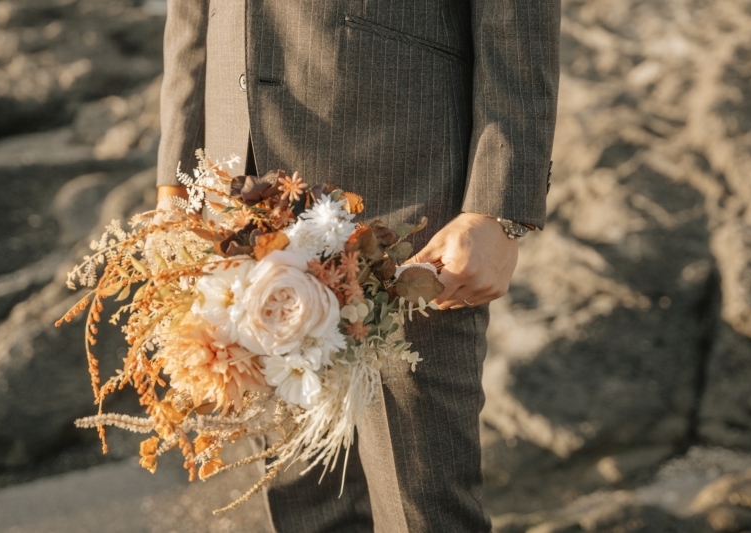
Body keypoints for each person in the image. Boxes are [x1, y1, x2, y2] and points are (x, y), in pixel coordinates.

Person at [156, 1, 560, 531]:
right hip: (240, 191)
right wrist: (176, 182)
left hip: (404, 194)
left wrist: (498, 207)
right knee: (303, 499)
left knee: (423, 502)